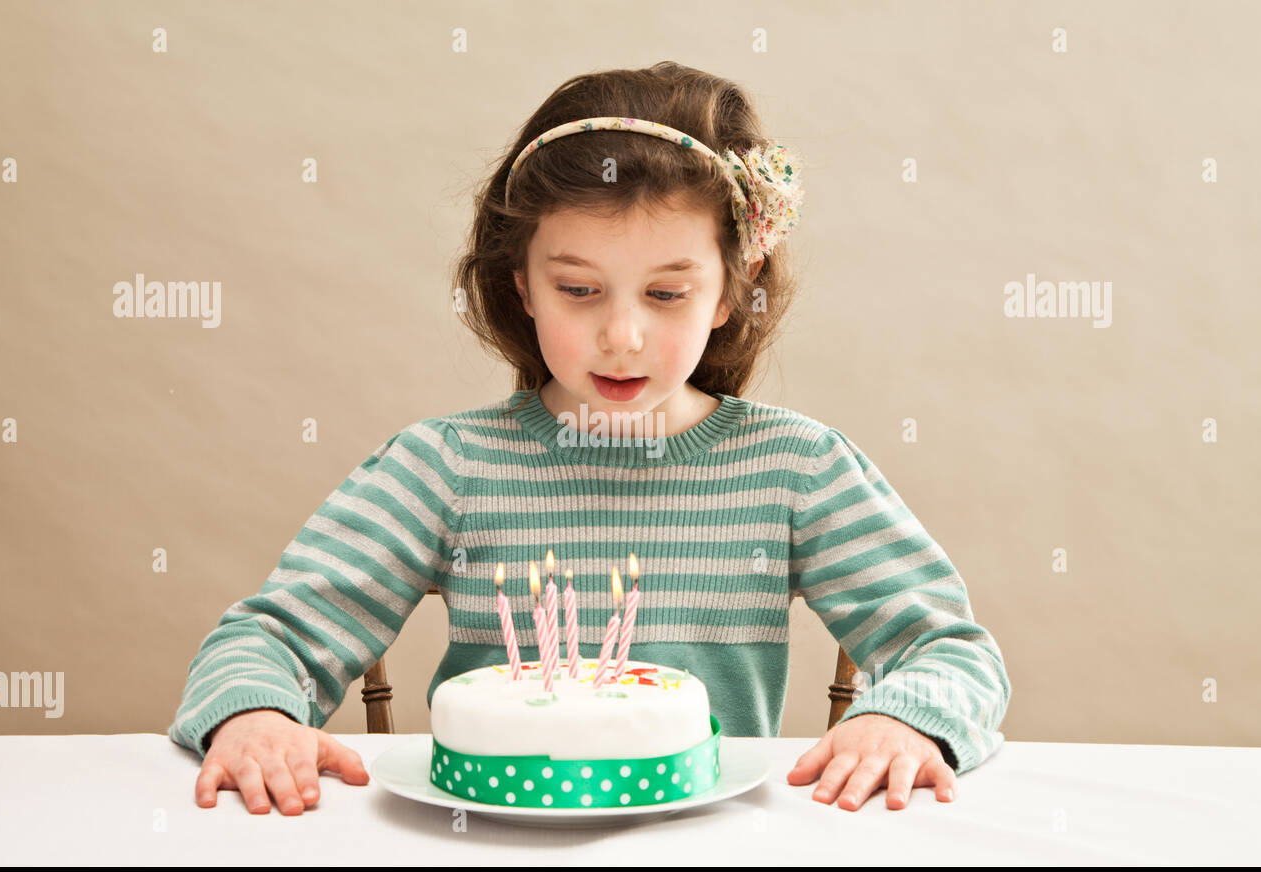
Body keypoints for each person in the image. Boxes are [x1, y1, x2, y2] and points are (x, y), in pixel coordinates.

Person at [169, 61, 1010, 816]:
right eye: (579, 289)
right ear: (521, 286)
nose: (623, 335)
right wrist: (255, 714)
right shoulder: (446, 469)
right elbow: (264, 640)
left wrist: (902, 721)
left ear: (731, 291)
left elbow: (951, 652)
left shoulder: (797, 471)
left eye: (667, 293)